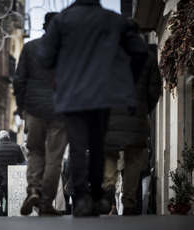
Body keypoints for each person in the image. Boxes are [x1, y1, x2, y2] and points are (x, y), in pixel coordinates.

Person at [37, 0, 149, 217]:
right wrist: (127, 80)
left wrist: (61, 74)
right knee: (98, 144)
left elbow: (44, 57)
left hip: (72, 94)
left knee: (78, 146)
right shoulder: (113, 19)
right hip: (103, 92)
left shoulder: (62, 21)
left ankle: (82, 199)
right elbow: (140, 51)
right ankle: (97, 198)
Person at [102, 16, 162, 215]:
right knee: (133, 160)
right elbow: (155, 91)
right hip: (136, 117)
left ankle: (109, 186)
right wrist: (144, 109)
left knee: (110, 155)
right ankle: (128, 202)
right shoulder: (148, 57)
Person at [13, 12, 68, 216]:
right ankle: (45, 203)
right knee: (55, 157)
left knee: (35, 150)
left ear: (44, 27)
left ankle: (34, 189)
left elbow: (19, 80)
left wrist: (21, 107)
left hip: (34, 109)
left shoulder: (30, 48)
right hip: (60, 111)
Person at [0, 130, 25, 216]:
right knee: (11, 199)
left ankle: (0, 216)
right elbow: (21, 160)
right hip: (12, 179)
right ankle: (10, 215)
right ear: (8, 137)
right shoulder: (16, 147)